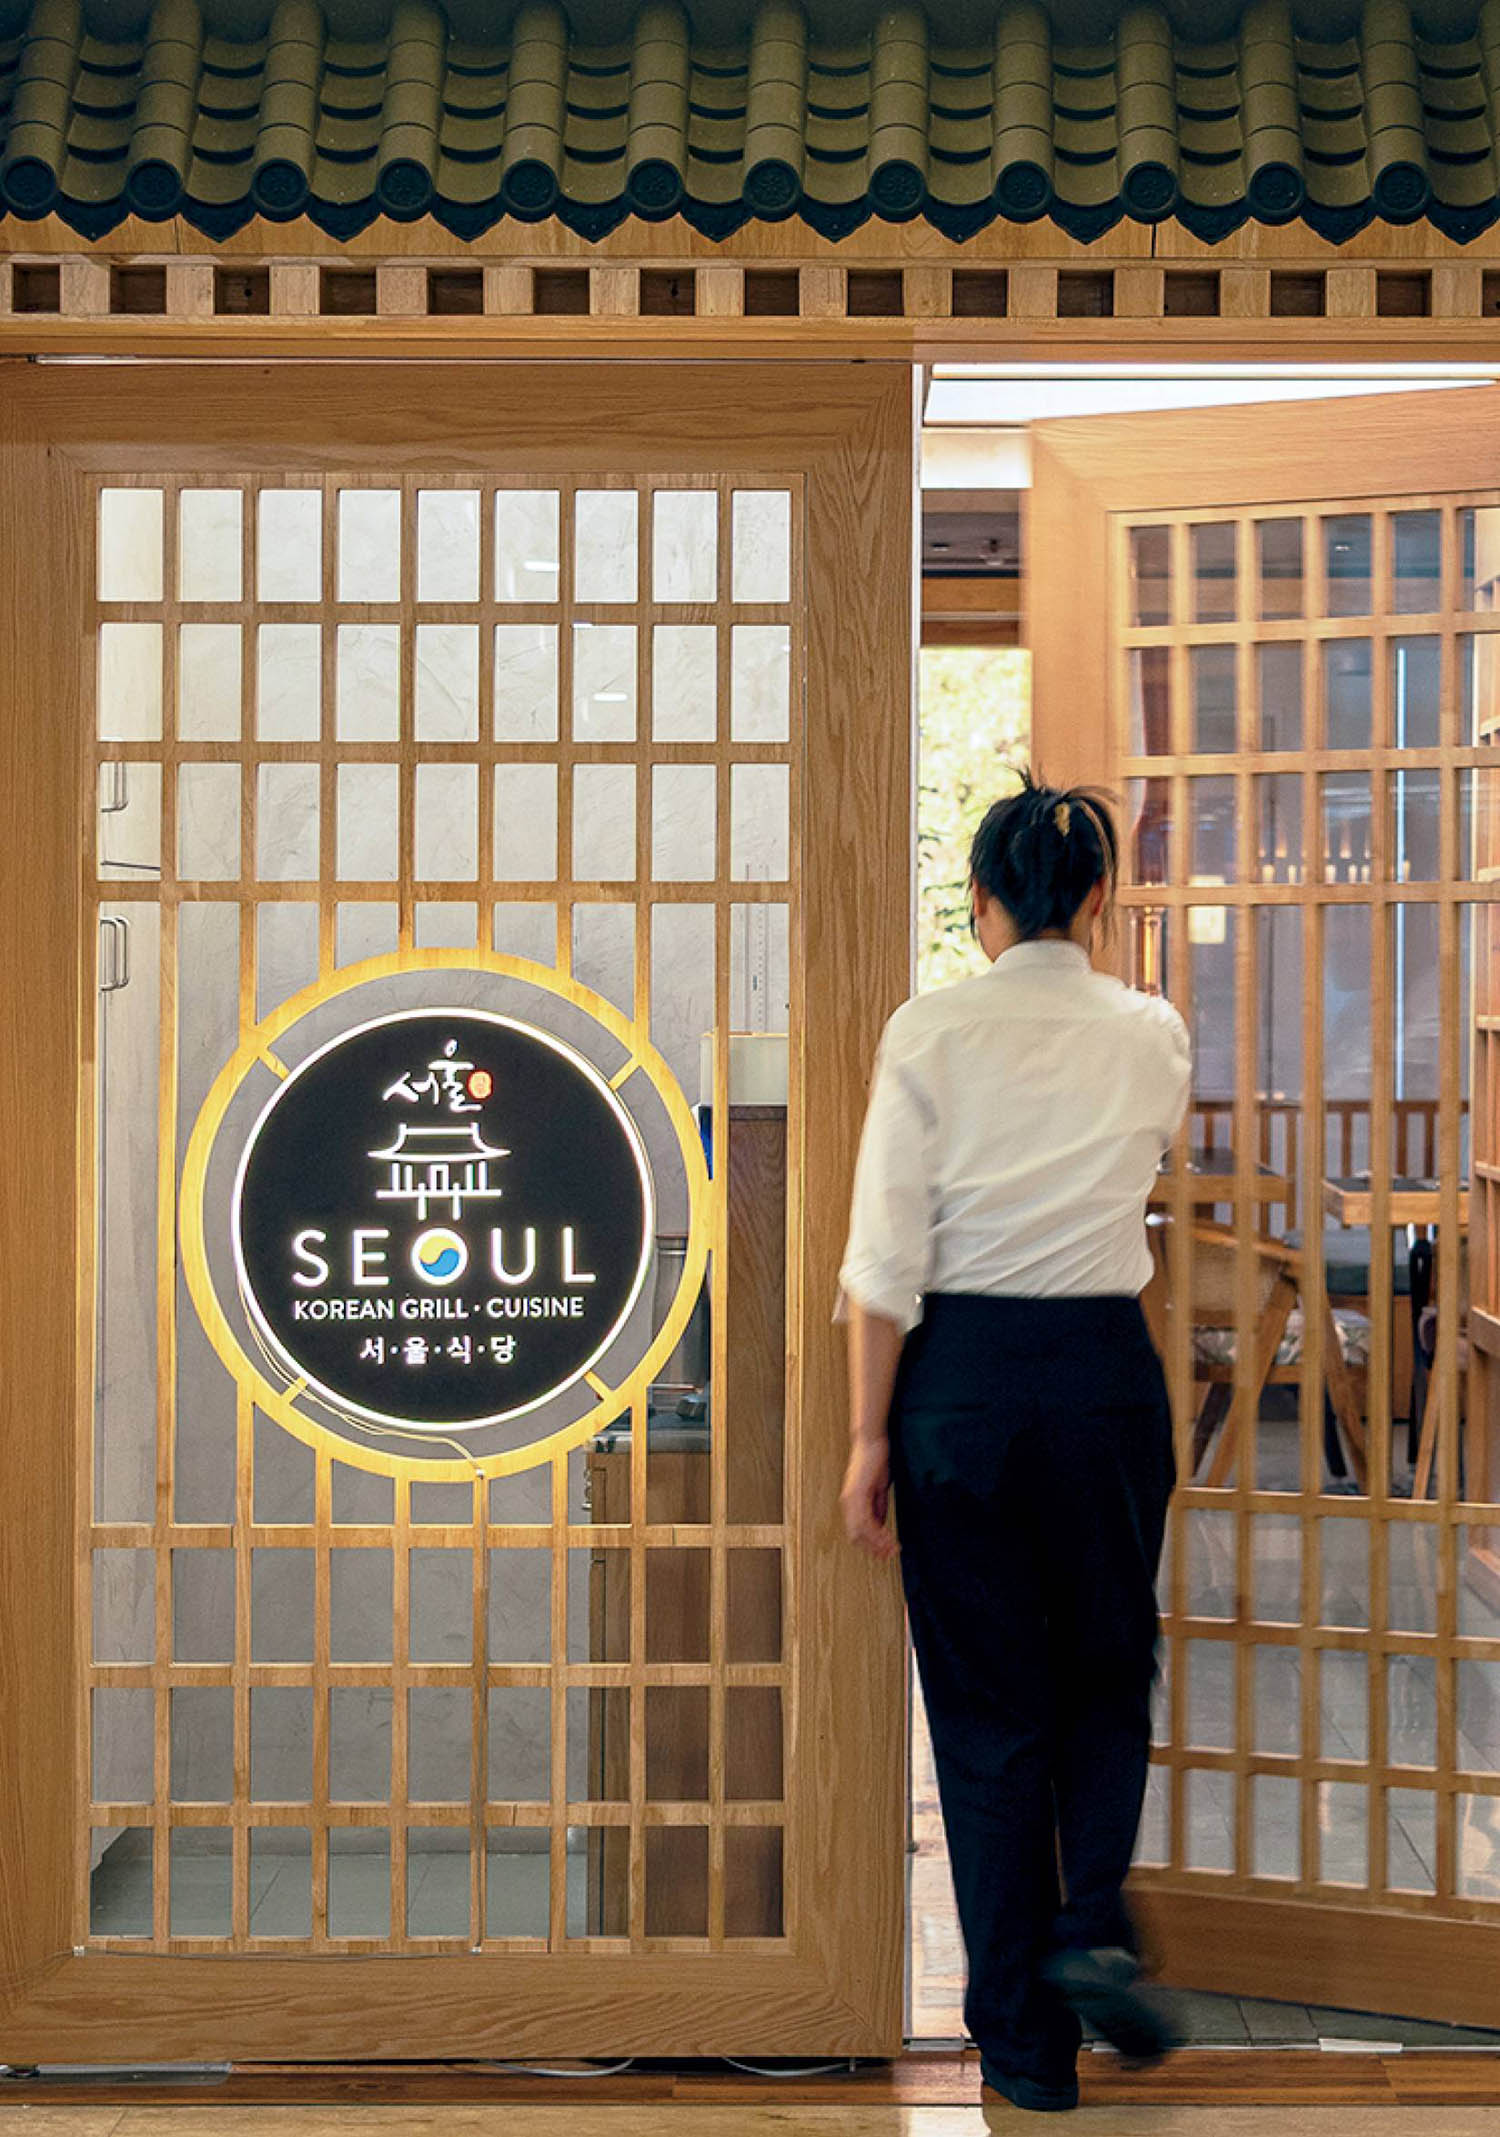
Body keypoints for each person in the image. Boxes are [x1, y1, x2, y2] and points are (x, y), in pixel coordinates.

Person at [837, 774, 1191, 2114]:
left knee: (989, 1715)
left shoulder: (928, 1031)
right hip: (1103, 1372)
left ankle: (1024, 2052)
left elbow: (885, 1260)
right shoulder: (1152, 1031)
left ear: (977, 901)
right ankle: (1090, 1918)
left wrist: (869, 1433)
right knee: (1106, 1664)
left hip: (961, 1382)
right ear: (1098, 899)